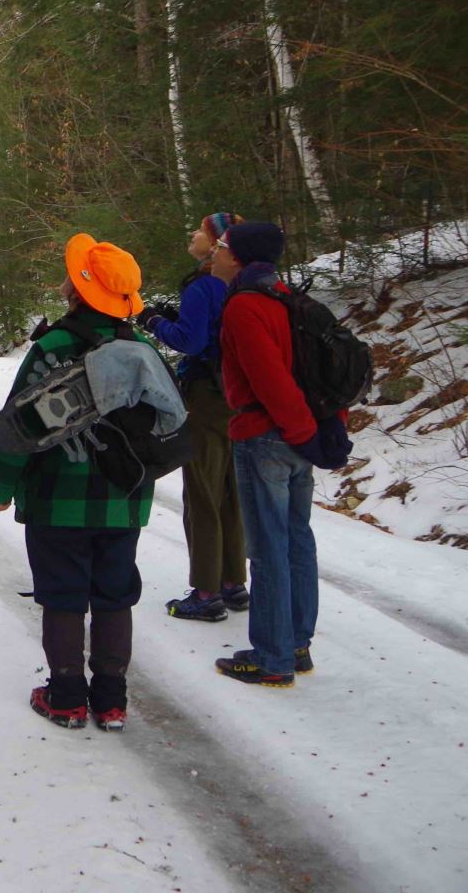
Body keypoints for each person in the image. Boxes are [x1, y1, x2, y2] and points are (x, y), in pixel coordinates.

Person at [0, 233, 156, 732]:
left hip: (56, 498)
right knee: (115, 592)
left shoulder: (53, 346)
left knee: (62, 593)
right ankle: (111, 700)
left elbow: (19, 427)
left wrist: (1, 486)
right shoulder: (140, 347)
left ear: (79, 289)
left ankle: (64, 697)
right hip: (125, 498)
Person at [210, 222, 345, 687]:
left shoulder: (246, 306)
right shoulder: (286, 297)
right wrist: (313, 434)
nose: (215, 253)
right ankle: (295, 643)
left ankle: (272, 658)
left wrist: (301, 432)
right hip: (295, 437)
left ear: (240, 258)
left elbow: (270, 379)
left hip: (267, 435)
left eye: (223, 247)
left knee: (269, 548)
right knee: (295, 539)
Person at [141, 213, 249, 622]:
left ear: (217, 242)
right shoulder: (243, 285)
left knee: (202, 490)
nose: (192, 235)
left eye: (201, 232)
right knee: (229, 490)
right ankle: (233, 583)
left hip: (206, 396)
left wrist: (152, 321)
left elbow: (190, 341)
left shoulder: (205, 285)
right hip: (238, 397)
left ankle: (206, 591)